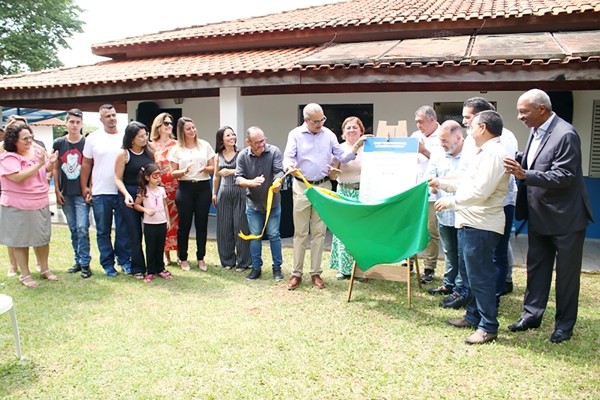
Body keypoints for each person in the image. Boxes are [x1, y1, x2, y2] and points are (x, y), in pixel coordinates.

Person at [504, 89, 594, 344]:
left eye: (524, 111)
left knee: (566, 275)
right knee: (537, 268)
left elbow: (564, 176)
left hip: (566, 218)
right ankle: (531, 315)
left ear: (541, 109)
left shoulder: (566, 134)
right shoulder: (536, 129)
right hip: (539, 214)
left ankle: (564, 325)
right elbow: (535, 160)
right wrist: (518, 160)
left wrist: (525, 175)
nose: (520, 117)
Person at [430, 110, 509, 345]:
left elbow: (481, 191)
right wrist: (442, 183)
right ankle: (473, 316)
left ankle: (488, 326)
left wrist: (451, 202)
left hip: (482, 223)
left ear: (483, 128)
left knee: (480, 276)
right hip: (470, 221)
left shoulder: (495, 153)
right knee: (470, 275)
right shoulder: (483, 152)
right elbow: (468, 181)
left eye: (471, 125)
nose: (468, 129)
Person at [283, 103, 364, 290]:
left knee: (319, 232)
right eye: (316, 122)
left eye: (322, 120)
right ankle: (296, 273)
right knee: (300, 232)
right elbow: (288, 157)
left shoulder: (329, 134)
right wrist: (289, 167)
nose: (320, 124)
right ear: (306, 120)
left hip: (324, 186)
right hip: (302, 186)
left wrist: (355, 149)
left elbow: (342, 156)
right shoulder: (295, 134)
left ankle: (316, 273)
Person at [461, 97, 518, 306]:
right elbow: (469, 173)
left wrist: (453, 200)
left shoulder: (502, 143)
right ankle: (476, 304)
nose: (465, 122)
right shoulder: (475, 140)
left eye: (468, 118)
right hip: (474, 208)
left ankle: (493, 297)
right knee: (476, 264)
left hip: (496, 204)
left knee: (496, 255)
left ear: (482, 121)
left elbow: (489, 182)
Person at [0, 122, 59, 287]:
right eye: (25, 138)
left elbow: (46, 169)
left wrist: (51, 162)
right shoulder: (8, 157)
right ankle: (25, 274)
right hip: (18, 205)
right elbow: (17, 177)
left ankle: (45, 269)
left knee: (42, 238)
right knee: (21, 240)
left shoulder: (36, 151)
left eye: (30, 137)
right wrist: (39, 164)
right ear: (14, 141)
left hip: (39, 201)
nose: (29, 141)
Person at [81, 104, 131, 277]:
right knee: (103, 230)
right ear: (101, 119)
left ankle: (124, 260)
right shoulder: (93, 138)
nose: (111, 118)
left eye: (113, 115)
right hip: (101, 191)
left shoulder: (126, 137)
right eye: (107, 116)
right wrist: (85, 186)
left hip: (121, 190)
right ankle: (108, 264)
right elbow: (86, 163)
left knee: (123, 229)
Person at [423, 120, 466, 302]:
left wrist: (441, 182)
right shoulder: (438, 154)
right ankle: (449, 283)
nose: (442, 144)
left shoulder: (470, 154)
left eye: (445, 140)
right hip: (444, 212)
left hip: (463, 212)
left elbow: (467, 180)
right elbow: (429, 176)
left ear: (458, 137)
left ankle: (460, 288)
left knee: (463, 253)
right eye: (440, 141)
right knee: (449, 250)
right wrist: (431, 186)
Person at [236, 126, 285, 280]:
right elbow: (238, 178)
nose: (261, 144)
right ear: (248, 142)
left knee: (274, 235)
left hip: (273, 204)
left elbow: (279, 171)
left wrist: (278, 182)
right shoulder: (243, 156)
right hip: (253, 204)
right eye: (257, 142)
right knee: (255, 236)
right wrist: (251, 182)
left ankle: (277, 268)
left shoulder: (274, 151)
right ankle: (256, 268)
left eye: (263, 140)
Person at [168, 117, 215, 272]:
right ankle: (183, 258)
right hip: (185, 187)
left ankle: (201, 258)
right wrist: (184, 170)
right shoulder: (176, 149)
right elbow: (173, 173)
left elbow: (213, 167)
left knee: (202, 224)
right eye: (188, 129)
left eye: (193, 127)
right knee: (184, 226)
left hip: (203, 187)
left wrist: (205, 169)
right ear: (182, 131)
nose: (192, 131)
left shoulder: (205, 145)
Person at [52, 108, 92, 278]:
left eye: (78, 122)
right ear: (66, 123)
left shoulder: (87, 143)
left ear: (82, 124)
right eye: (72, 122)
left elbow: (92, 166)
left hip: (81, 192)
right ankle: (77, 260)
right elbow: (55, 168)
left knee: (83, 227)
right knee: (74, 228)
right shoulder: (59, 143)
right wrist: (56, 190)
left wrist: (89, 187)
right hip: (66, 192)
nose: (75, 125)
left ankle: (85, 263)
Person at [115, 121, 154, 279]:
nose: (144, 139)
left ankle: (154, 265)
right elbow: (117, 178)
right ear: (132, 139)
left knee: (152, 231)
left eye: (146, 135)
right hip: (130, 193)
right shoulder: (123, 154)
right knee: (134, 232)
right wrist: (126, 194)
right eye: (141, 136)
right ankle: (137, 267)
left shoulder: (149, 151)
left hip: (147, 193)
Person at [328, 116, 364, 280]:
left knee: (361, 232)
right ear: (343, 132)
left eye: (354, 127)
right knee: (344, 231)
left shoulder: (369, 149)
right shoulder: (339, 149)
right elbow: (332, 174)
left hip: (363, 194)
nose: (351, 130)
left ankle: (362, 268)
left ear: (361, 131)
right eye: (348, 128)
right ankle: (344, 269)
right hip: (344, 193)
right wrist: (333, 171)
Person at [410, 105, 442, 284]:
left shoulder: (443, 134)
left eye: (421, 122)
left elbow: (442, 163)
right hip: (414, 190)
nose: (418, 126)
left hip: (432, 191)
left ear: (432, 119)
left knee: (430, 230)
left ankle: (429, 267)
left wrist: (423, 151)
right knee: (411, 226)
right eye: (416, 122)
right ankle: (408, 261)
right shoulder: (415, 136)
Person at [212, 126, 250, 272]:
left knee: (240, 226)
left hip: (240, 192)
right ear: (221, 139)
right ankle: (227, 260)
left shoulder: (242, 153)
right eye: (228, 135)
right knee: (224, 227)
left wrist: (231, 171)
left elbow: (246, 172)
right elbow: (216, 175)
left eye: (233, 134)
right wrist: (214, 193)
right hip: (224, 192)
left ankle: (243, 261)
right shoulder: (218, 156)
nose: (232, 137)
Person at [134, 163, 172, 283]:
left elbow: (165, 205)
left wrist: (168, 220)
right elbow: (136, 204)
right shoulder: (144, 191)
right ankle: (150, 270)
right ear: (147, 177)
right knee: (150, 247)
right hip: (150, 224)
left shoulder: (161, 190)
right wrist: (145, 210)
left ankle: (160, 268)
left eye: (159, 176)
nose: (158, 179)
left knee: (160, 246)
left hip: (161, 222)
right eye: (155, 176)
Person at [149, 112, 179, 265]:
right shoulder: (151, 145)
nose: (169, 126)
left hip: (176, 187)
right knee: (162, 221)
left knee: (178, 221)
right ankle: (166, 256)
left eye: (170, 123)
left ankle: (181, 254)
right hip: (158, 189)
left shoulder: (176, 144)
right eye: (165, 123)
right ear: (158, 126)